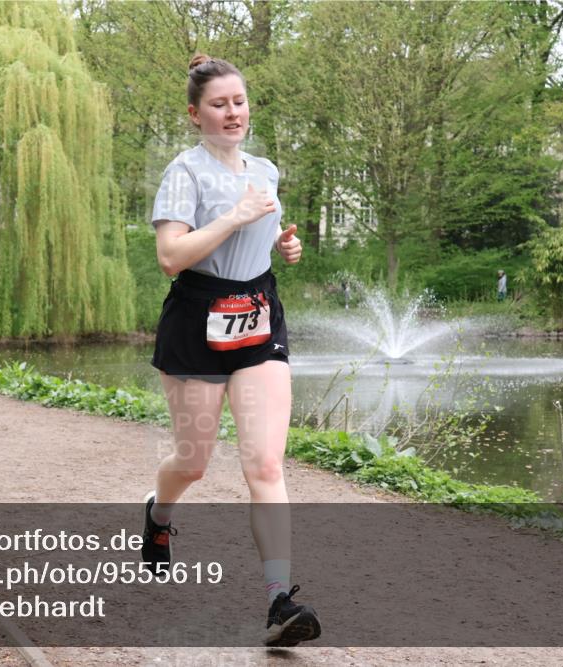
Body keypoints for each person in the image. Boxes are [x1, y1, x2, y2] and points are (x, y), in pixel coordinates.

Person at [143, 53, 321, 648]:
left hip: (257, 317)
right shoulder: (184, 174)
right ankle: (159, 514)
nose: (232, 112)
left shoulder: (265, 170)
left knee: (266, 466)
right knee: (191, 463)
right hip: (197, 320)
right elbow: (172, 256)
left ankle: (279, 601)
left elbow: (263, 235)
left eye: (239, 101)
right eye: (218, 105)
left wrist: (282, 245)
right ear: (195, 115)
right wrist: (235, 216)